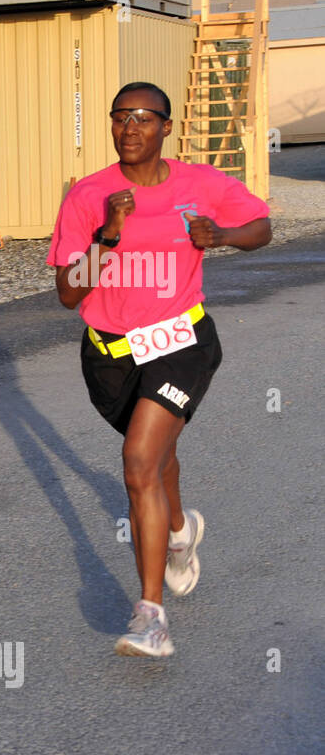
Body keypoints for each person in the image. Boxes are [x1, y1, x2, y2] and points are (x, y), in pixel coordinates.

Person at [49, 82, 270, 657]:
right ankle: (179, 532)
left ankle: (150, 617)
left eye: (144, 117)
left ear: (166, 127)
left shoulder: (200, 183)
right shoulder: (90, 196)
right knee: (158, 457)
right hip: (109, 356)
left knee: (139, 462)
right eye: (121, 116)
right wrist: (107, 237)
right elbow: (69, 294)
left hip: (181, 343)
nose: (131, 127)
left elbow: (261, 227)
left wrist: (221, 236)